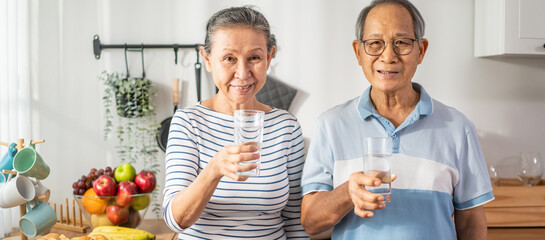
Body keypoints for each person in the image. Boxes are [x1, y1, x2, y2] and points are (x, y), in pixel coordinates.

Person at [300, 0, 494, 239]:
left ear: (421, 50)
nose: (388, 56)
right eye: (375, 44)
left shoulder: (458, 128)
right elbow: (310, 222)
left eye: (401, 43)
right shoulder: (330, 125)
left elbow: (471, 223)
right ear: (358, 52)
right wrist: (347, 193)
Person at [162, 6, 308, 240]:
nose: (243, 72)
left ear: (269, 57)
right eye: (229, 58)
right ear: (207, 59)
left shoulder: (287, 127)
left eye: (254, 58)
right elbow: (175, 220)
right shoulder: (188, 122)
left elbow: (295, 221)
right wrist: (214, 170)